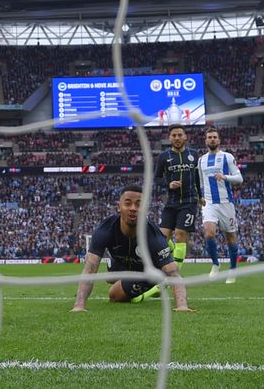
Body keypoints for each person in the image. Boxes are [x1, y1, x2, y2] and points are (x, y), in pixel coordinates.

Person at [71, 185, 195, 312]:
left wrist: (182, 306)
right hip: (123, 261)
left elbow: (173, 273)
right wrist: (79, 306)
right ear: (118, 207)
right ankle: (131, 282)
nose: (133, 209)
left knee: (114, 294)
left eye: (138, 204)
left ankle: (154, 283)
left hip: (147, 270)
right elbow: (90, 268)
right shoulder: (104, 230)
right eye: (128, 203)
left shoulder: (154, 237)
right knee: (109, 278)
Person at [135, 123, 201, 302]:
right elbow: (156, 178)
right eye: (174, 135)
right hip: (171, 203)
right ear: (169, 138)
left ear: (185, 137)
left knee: (180, 234)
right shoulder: (165, 156)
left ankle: (173, 275)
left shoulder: (194, 155)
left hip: (188, 202)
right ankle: (159, 273)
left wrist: (201, 197)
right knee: (161, 239)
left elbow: (197, 178)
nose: (177, 138)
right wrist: (168, 184)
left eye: (180, 135)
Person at [197, 127, 244, 283]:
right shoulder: (201, 160)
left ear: (219, 140)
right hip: (209, 203)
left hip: (226, 203)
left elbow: (239, 178)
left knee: (231, 238)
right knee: (209, 232)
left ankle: (232, 270)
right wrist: (199, 196)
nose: (212, 139)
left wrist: (225, 177)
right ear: (206, 140)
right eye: (209, 137)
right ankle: (215, 265)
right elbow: (200, 182)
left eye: (214, 137)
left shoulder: (227, 157)